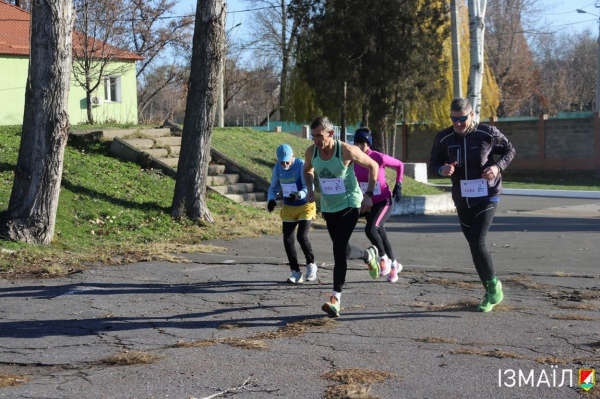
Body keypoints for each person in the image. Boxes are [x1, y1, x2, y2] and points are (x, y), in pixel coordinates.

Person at [429, 97, 516, 312]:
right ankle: (493, 285)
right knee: (474, 247)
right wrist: (442, 170)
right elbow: (433, 164)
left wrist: (497, 168)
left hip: (487, 194)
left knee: (478, 242)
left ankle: (491, 291)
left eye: (462, 119)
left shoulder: (488, 133)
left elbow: (509, 151)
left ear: (472, 115)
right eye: (453, 119)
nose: (457, 124)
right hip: (462, 198)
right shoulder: (444, 137)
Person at [304, 116, 381, 318]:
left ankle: (335, 298)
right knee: (343, 249)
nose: (316, 140)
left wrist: (369, 195)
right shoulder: (312, 152)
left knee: (338, 248)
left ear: (331, 133)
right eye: (313, 136)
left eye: (319, 136)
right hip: (329, 207)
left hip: (350, 203)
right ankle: (368, 255)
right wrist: (310, 187)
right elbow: (308, 170)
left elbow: (373, 166)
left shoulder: (346, 150)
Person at [353, 127, 404, 283]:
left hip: (384, 201)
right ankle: (394, 265)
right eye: (357, 142)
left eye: (363, 143)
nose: (359, 146)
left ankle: (384, 259)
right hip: (368, 202)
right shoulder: (353, 160)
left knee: (370, 229)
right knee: (380, 234)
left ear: (368, 144)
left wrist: (399, 185)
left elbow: (399, 165)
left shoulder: (378, 158)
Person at [267, 144, 318, 284]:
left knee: (302, 236)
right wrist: (271, 200)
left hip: (305, 205)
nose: (284, 164)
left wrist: (299, 194)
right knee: (287, 240)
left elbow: (309, 187)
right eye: (282, 161)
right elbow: (273, 188)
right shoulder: (278, 168)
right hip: (289, 207)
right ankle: (295, 272)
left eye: (287, 161)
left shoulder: (301, 165)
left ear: (292, 156)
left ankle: (311, 265)